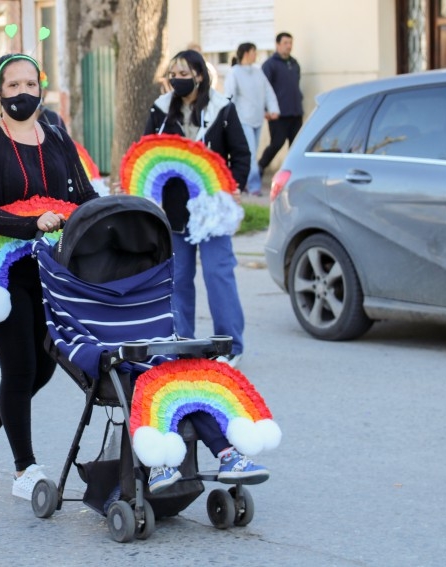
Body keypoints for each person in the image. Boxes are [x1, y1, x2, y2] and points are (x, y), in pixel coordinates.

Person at [0, 53, 98, 500]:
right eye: (12, 86)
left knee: (43, 368)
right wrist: (30, 222)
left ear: (41, 86)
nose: (22, 93)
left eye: (29, 84)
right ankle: (25, 470)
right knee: (19, 367)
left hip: (51, 269)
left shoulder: (57, 137)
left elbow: (84, 194)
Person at [141, 49, 267, 493]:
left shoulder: (221, 109)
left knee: (219, 275)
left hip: (211, 212)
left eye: (185, 73)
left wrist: (224, 190)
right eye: (172, 73)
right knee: (177, 281)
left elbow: (241, 156)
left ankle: (230, 343)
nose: (178, 79)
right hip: (173, 212)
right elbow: (146, 154)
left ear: (200, 76)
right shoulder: (160, 111)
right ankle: (184, 342)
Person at [223, 42, 280, 195]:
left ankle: (246, 182)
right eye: (254, 52)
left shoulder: (258, 72)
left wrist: (273, 109)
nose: (256, 55)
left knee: (252, 152)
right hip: (243, 120)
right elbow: (229, 96)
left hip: (257, 119)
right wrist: (228, 118)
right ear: (247, 53)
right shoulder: (234, 73)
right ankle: (254, 186)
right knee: (251, 153)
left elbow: (268, 92)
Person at [258, 32, 303, 175]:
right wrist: (266, 110)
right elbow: (263, 89)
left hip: (295, 112)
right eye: (285, 43)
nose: (289, 46)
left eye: (290, 43)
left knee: (296, 145)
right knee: (277, 143)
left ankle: (292, 173)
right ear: (277, 45)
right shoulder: (270, 65)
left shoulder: (294, 64)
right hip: (278, 114)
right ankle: (260, 168)